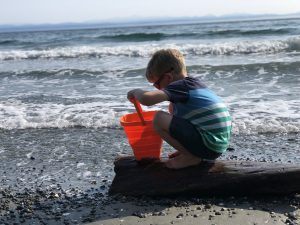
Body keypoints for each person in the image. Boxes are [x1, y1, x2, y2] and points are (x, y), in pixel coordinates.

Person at [127, 49, 231, 169]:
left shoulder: (180, 86)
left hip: (208, 144)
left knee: (159, 118)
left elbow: (147, 100)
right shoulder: (194, 84)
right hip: (216, 145)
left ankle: (191, 157)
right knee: (173, 107)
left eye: (156, 84)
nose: (157, 88)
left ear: (168, 77)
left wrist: (135, 92)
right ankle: (189, 151)